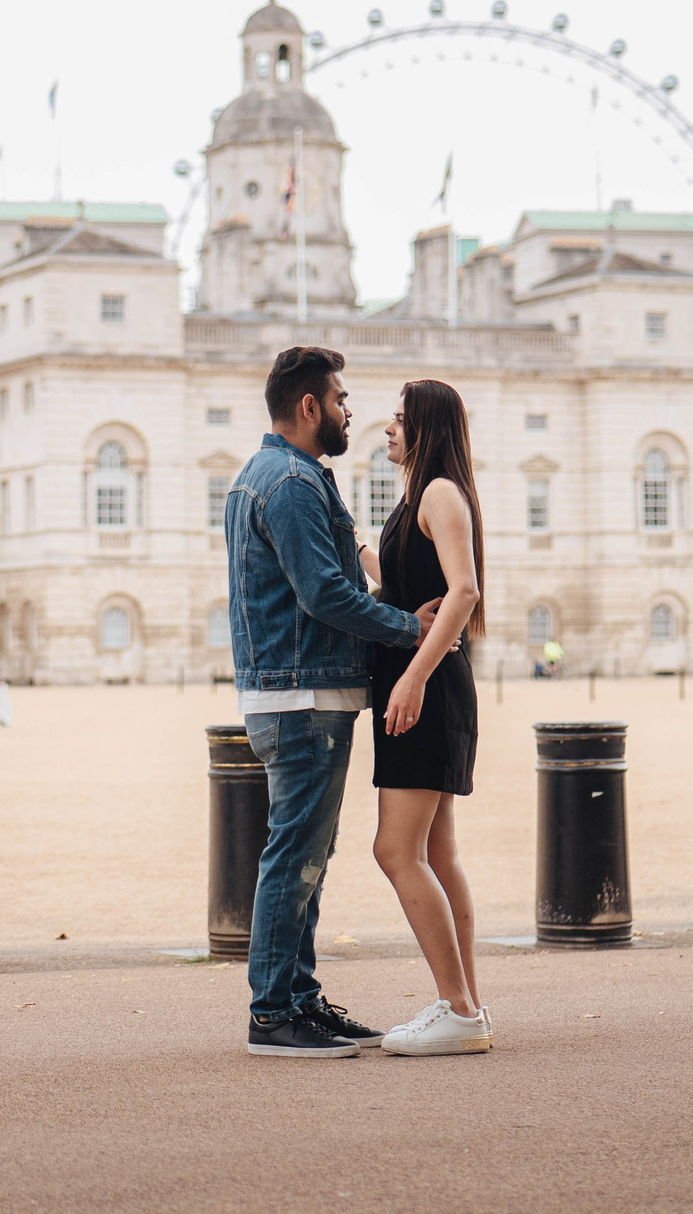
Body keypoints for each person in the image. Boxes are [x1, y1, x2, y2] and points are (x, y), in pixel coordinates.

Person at [225, 345, 442, 1059]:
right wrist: (408, 625)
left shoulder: (280, 474)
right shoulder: (288, 480)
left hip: (297, 689)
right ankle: (272, 1013)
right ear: (309, 406)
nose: (353, 411)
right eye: (343, 399)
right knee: (295, 856)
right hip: (300, 693)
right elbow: (324, 593)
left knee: (306, 854)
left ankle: (298, 998)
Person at [361, 378, 494, 1057]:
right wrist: (358, 549)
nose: (387, 428)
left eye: (399, 419)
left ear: (427, 428)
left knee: (395, 849)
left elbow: (463, 590)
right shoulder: (421, 497)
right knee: (437, 852)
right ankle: (464, 1003)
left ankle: (460, 1007)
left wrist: (412, 678)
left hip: (428, 690)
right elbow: (412, 587)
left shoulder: (440, 492)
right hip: (431, 687)